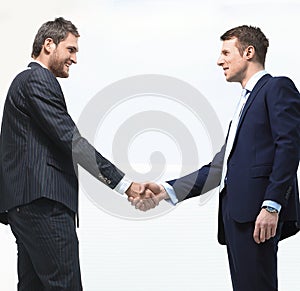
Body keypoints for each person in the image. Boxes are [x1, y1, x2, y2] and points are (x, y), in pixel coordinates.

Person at [131, 25, 300, 291]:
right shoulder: (244, 104)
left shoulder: (276, 87)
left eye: (225, 52)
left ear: (248, 52)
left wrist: (272, 205)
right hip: (236, 217)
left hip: (257, 215)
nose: (219, 60)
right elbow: (219, 168)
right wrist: (166, 190)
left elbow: (289, 147)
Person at [0, 17, 152, 291]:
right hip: (44, 203)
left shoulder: (26, 82)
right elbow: (72, 141)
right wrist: (124, 184)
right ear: (49, 44)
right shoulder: (37, 79)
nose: (75, 58)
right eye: (71, 49)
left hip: (27, 205)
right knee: (65, 285)